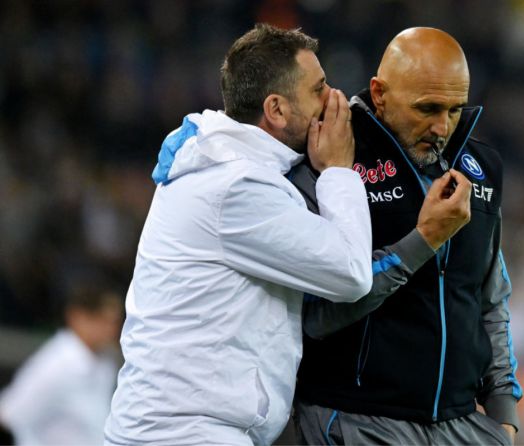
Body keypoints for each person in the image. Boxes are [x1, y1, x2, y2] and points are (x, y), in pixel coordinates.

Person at [103, 24, 373, 446]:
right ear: (277, 109)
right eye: (319, 88)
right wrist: (339, 169)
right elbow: (352, 272)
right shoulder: (237, 187)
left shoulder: (225, 163)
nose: (333, 99)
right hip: (185, 434)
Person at [290, 27, 523, 445]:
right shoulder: (333, 161)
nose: (442, 126)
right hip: (357, 419)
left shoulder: (481, 167)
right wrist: (425, 239)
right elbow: (317, 314)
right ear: (379, 93)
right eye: (428, 108)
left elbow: (490, 299)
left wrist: (503, 415)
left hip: (464, 425)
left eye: (455, 110)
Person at [0, 283, 123, 445]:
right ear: (78, 317)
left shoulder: (106, 361)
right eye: (103, 320)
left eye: (114, 322)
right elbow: (9, 414)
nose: (111, 329)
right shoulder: (55, 364)